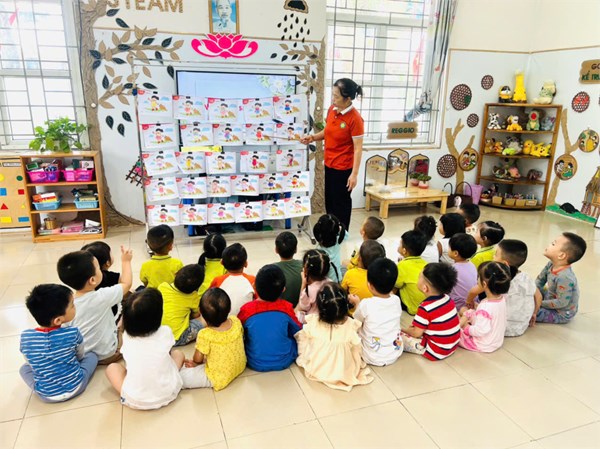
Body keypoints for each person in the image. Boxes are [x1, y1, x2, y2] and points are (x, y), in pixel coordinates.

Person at [301, 78, 364, 230]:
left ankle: (342, 232)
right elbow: (328, 131)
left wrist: (354, 175)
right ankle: (332, 231)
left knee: (340, 203)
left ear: (347, 99)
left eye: (336, 96)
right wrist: (313, 137)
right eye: (333, 94)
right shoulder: (332, 110)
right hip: (329, 164)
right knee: (329, 201)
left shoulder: (355, 119)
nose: (333, 99)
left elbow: (358, 148)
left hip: (343, 169)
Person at [105, 288, 184, 410]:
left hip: (136, 400)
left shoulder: (127, 337)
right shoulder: (165, 331)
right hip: (170, 392)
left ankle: (128, 394)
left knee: (111, 368)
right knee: (178, 354)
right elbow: (168, 354)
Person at [20, 284, 98, 403]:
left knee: (23, 369)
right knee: (92, 356)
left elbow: (29, 362)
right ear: (58, 320)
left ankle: (40, 387)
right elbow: (80, 356)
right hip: (77, 387)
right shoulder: (73, 332)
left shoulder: (26, 337)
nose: (75, 307)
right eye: (72, 305)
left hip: (46, 396)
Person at [57, 247, 133, 364]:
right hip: (109, 354)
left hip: (84, 356)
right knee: (129, 307)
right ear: (92, 280)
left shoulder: (67, 307)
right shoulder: (102, 296)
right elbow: (126, 284)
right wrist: (126, 261)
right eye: (98, 268)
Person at [295, 282, 373, 391]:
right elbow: (356, 349)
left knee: (304, 338)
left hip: (317, 369)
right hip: (343, 371)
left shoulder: (313, 322)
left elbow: (304, 340)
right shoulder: (350, 325)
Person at [238, 265, 302, 372]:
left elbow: (240, 332)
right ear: (283, 290)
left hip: (254, 362)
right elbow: (297, 330)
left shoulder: (246, 309)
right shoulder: (286, 307)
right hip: (284, 361)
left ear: (254, 287)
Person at [180, 288, 246, 390]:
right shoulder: (236, 321)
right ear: (229, 309)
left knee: (182, 377)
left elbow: (197, 359)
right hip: (240, 365)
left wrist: (196, 363)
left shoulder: (205, 334)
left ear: (201, 312)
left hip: (218, 377)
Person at [401, 263, 461, 361]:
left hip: (436, 351)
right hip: (452, 346)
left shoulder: (425, 307)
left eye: (419, 276)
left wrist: (404, 330)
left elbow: (416, 333)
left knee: (399, 336)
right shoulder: (448, 299)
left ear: (425, 288)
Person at [351, 258, 403, 366]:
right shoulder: (396, 300)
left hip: (370, 356)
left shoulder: (366, 304)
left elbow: (356, 320)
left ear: (370, 286)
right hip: (395, 351)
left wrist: (357, 304)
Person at [534, 232, 587, 324]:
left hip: (560, 312)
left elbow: (561, 303)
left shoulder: (565, 277)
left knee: (529, 311)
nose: (549, 244)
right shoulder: (551, 263)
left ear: (561, 255)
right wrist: (533, 292)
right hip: (550, 296)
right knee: (529, 286)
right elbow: (540, 281)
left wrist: (539, 303)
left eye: (553, 244)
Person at [459, 261, 510, 353]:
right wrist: (477, 309)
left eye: (478, 277)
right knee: (465, 311)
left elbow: (481, 330)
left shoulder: (485, 307)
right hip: (496, 341)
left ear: (484, 284)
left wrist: (466, 327)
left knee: (457, 322)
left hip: (482, 344)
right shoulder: (502, 298)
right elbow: (491, 315)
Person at [493, 239, 539, 336]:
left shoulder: (500, 279)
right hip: (522, 326)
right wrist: (534, 313)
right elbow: (538, 296)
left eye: (496, 254)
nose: (493, 256)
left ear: (505, 263)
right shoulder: (526, 277)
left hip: (500, 327)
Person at [159, 264, 205, 346]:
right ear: (196, 288)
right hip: (178, 337)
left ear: (176, 273)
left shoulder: (162, 286)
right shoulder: (193, 297)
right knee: (204, 319)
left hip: (158, 333)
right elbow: (195, 316)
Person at [210, 243, 256, 315]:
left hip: (222, 318)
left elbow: (209, 299)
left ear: (222, 263)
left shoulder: (218, 280)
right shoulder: (252, 280)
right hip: (245, 319)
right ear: (246, 264)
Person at [82, 241, 121, 317]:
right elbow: (126, 285)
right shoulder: (113, 277)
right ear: (107, 262)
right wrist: (126, 261)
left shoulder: (84, 280)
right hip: (112, 314)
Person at [342, 240, 385, 305]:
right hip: (374, 308)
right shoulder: (383, 275)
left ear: (359, 258)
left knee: (343, 267)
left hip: (354, 309)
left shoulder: (350, 274)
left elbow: (343, 291)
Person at [395, 230, 428, 315]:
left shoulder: (402, 265)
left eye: (400, 244)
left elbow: (396, 284)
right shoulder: (425, 263)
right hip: (427, 307)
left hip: (413, 309)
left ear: (404, 251)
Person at [140, 225, 184, 289]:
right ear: (170, 246)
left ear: (149, 246)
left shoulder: (145, 265)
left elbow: (145, 283)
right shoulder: (177, 263)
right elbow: (181, 281)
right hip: (171, 293)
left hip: (153, 294)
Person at [296, 249, 331, 324]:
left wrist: (303, 285)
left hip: (313, 325)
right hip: (329, 321)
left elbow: (300, 309)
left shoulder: (308, 291)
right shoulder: (332, 284)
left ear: (305, 270)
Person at [447, 233, 478, 311]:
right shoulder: (472, 265)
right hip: (474, 301)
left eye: (449, 247)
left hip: (459, 305)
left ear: (455, 253)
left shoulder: (452, 269)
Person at [313, 213, 348, 283]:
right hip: (338, 279)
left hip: (324, 284)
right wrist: (340, 229)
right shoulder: (338, 241)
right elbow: (345, 234)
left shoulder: (318, 252)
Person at [274, 231, 303, 307]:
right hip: (302, 309)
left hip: (280, 310)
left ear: (276, 250)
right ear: (296, 249)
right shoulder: (305, 266)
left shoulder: (270, 271)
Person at [198, 233, 227, 298]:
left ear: (204, 249)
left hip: (201, 296)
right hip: (219, 297)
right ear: (224, 248)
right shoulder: (226, 264)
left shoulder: (202, 261)